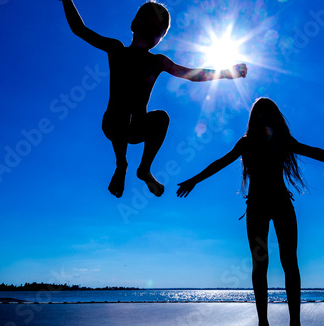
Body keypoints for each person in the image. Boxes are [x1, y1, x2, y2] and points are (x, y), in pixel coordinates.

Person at [177, 97, 324, 326]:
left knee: (290, 262)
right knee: (261, 265)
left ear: (274, 116)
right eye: (259, 112)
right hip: (257, 208)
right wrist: (194, 180)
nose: (263, 116)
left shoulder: (281, 141)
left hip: (281, 205)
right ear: (254, 117)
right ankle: (263, 325)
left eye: (267, 112)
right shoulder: (245, 143)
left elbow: (316, 152)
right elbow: (220, 162)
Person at [61, 0, 247, 198]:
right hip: (114, 124)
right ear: (134, 25)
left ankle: (144, 169)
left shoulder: (157, 61)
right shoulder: (117, 50)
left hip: (138, 128)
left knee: (161, 117)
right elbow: (79, 29)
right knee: (123, 111)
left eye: (157, 32)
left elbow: (191, 74)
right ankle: (121, 164)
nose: (151, 33)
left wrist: (227, 73)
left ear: (159, 39)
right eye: (147, 26)